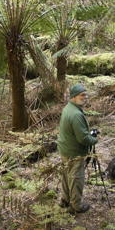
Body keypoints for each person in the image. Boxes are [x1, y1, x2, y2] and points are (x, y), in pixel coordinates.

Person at [58, 83, 98, 214]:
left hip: (65, 149)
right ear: (74, 96)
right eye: (82, 95)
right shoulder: (76, 114)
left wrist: (87, 133)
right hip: (74, 152)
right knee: (76, 178)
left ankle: (65, 200)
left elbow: (78, 133)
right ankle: (76, 205)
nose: (85, 97)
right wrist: (94, 139)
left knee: (66, 175)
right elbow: (83, 139)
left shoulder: (68, 108)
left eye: (86, 94)